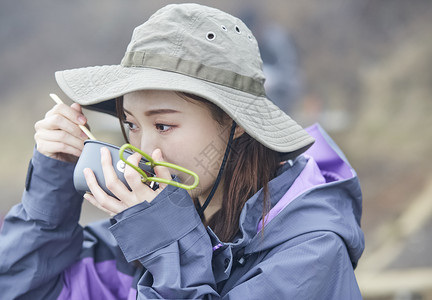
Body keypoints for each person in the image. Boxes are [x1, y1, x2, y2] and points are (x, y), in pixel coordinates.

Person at [0, 3, 364, 299]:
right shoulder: (137, 236)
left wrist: (169, 249)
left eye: (163, 125)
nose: (143, 148)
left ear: (235, 123)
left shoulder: (310, 251)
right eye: (131, 124)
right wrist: (50, 192)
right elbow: (23, 289)